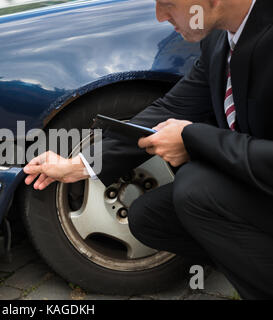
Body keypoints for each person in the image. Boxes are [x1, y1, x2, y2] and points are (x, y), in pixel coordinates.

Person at [23, 0, 273, 299]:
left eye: (167, 4)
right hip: (258, 188)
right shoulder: (220, 41)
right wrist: (78, 166)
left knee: (195, 188)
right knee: (150, 217)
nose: (159, 16)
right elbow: (170, 109)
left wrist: (194, 138)